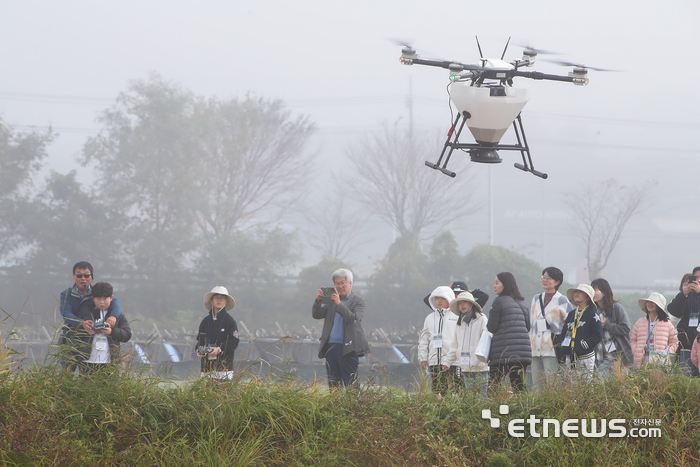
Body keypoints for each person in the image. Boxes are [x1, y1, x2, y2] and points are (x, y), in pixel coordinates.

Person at [58, 261, 122, 370]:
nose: (83, 278)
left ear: (91, 277)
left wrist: (114, 316)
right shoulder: (66, 294)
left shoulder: (96, 293)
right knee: (65, 375)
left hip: (89, 344)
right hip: (71, 339)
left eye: (87, 275)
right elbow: (66, 313)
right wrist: (81, 323)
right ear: (73, 276)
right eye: (79, 275)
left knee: (88, 378)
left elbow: (115, 301)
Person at [312, 269, 369, 388]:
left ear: (350, 283)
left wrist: (339, 304)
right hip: (330, 347)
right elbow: (317, 315)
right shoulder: (331, 301)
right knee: (333, 384)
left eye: (342, 282)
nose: (340, 286)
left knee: (351, 385)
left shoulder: (358, 301)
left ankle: (352, 406)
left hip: (348, 348)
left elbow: (353, 318)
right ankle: (334, 406)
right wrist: (318, 301)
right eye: (337, 283)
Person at [70, 282, 132, 374]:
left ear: (111, 298)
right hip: (87, 362)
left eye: (105, 299)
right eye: (98, 299)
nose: (102, 302)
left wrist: (111, 331)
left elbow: (127, 334)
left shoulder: (117, 316)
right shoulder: (85, 312)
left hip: (110, 362)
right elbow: (73, 333)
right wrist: (86, 330)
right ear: (93, 298)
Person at [487, 272, 531, 393]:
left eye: (496, 283)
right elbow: (527, 327)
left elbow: (491, 327)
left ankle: (494, 411)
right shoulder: (523, 303)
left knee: (493, 388)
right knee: (519, 387)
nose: (494, 286)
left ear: (505, 285)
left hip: (503, 353)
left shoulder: (499, 302)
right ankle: (523, 411)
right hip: (522, 354)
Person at [528, 267, 572, 388]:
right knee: (537, 385)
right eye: (543, 277)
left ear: (557, 282)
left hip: (551, 348)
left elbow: (570, 324)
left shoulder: (562, 300)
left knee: (553, 384)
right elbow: (532, 323)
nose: (545, 280)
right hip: (535, 347)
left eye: (548, 278)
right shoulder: (536, 299)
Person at [444, 292, 488, 393]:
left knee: (481, 398)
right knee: (469, 398)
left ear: (471, 303)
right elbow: (454, 345)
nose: (462, 305)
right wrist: (447, 362)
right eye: (459, 303)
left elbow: (486, 341)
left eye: (465, 302)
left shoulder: (481, 319)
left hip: (480, 367)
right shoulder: (460, 322)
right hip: (465, 368)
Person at [559, 284, 604, 380]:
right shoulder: (571, 314)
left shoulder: (593, 314)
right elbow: (564, 332)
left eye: (580, 292)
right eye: (575, 291)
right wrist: (564, 345)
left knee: (586, 385)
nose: (576, 293)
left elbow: (598, 335)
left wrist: (585, 344)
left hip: (585, 356)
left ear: (587, 297)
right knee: (572, 386)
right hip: (570, 357)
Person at [418, 286, 458, 395]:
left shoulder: (456, 317)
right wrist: (423, 358)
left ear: (450, 299)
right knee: (437, 391)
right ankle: (438, 410)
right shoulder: (429, 318)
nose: (439, 301)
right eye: (436, 298)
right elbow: (423, 340)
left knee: (454, 390)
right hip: (434, 362)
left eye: (443, 298)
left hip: (452, 362)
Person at [196, 286, 240, 379]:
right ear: (211, 300)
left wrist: (219, 349)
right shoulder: (205, 321)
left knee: (223, 392)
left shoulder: (230, 321)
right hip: (207, 367)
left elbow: (234, 342)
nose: (219, 300)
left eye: (222, 298)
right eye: (216, 297)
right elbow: (199, 340)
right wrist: (199, 349)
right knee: (206, 391)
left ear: (226, 301)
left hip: (224, 368)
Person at [591, 278, 633, 371]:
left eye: (595, 290)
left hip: (617, 358)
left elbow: (625, 328)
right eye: (591, 290)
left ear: (604, 292)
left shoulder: (616, 308)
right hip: (600, 358)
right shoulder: (593, 310)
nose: (593, 292)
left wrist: (607, 324)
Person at [667, 268, 700, 376]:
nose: (697, 281)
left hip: (698, 344)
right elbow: (673, 310)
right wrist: (683, 294)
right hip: (685, 345)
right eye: (695, 278)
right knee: (685, 378)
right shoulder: (684, 297)